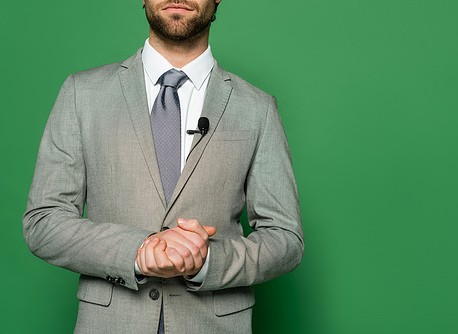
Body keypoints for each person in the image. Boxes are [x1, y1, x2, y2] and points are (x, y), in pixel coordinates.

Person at [23, 0, 304, 333]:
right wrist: (138, 253)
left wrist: (207, 263)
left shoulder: (258, 108)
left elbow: (285, 239)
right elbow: (43, 221)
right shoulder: (81, 93)